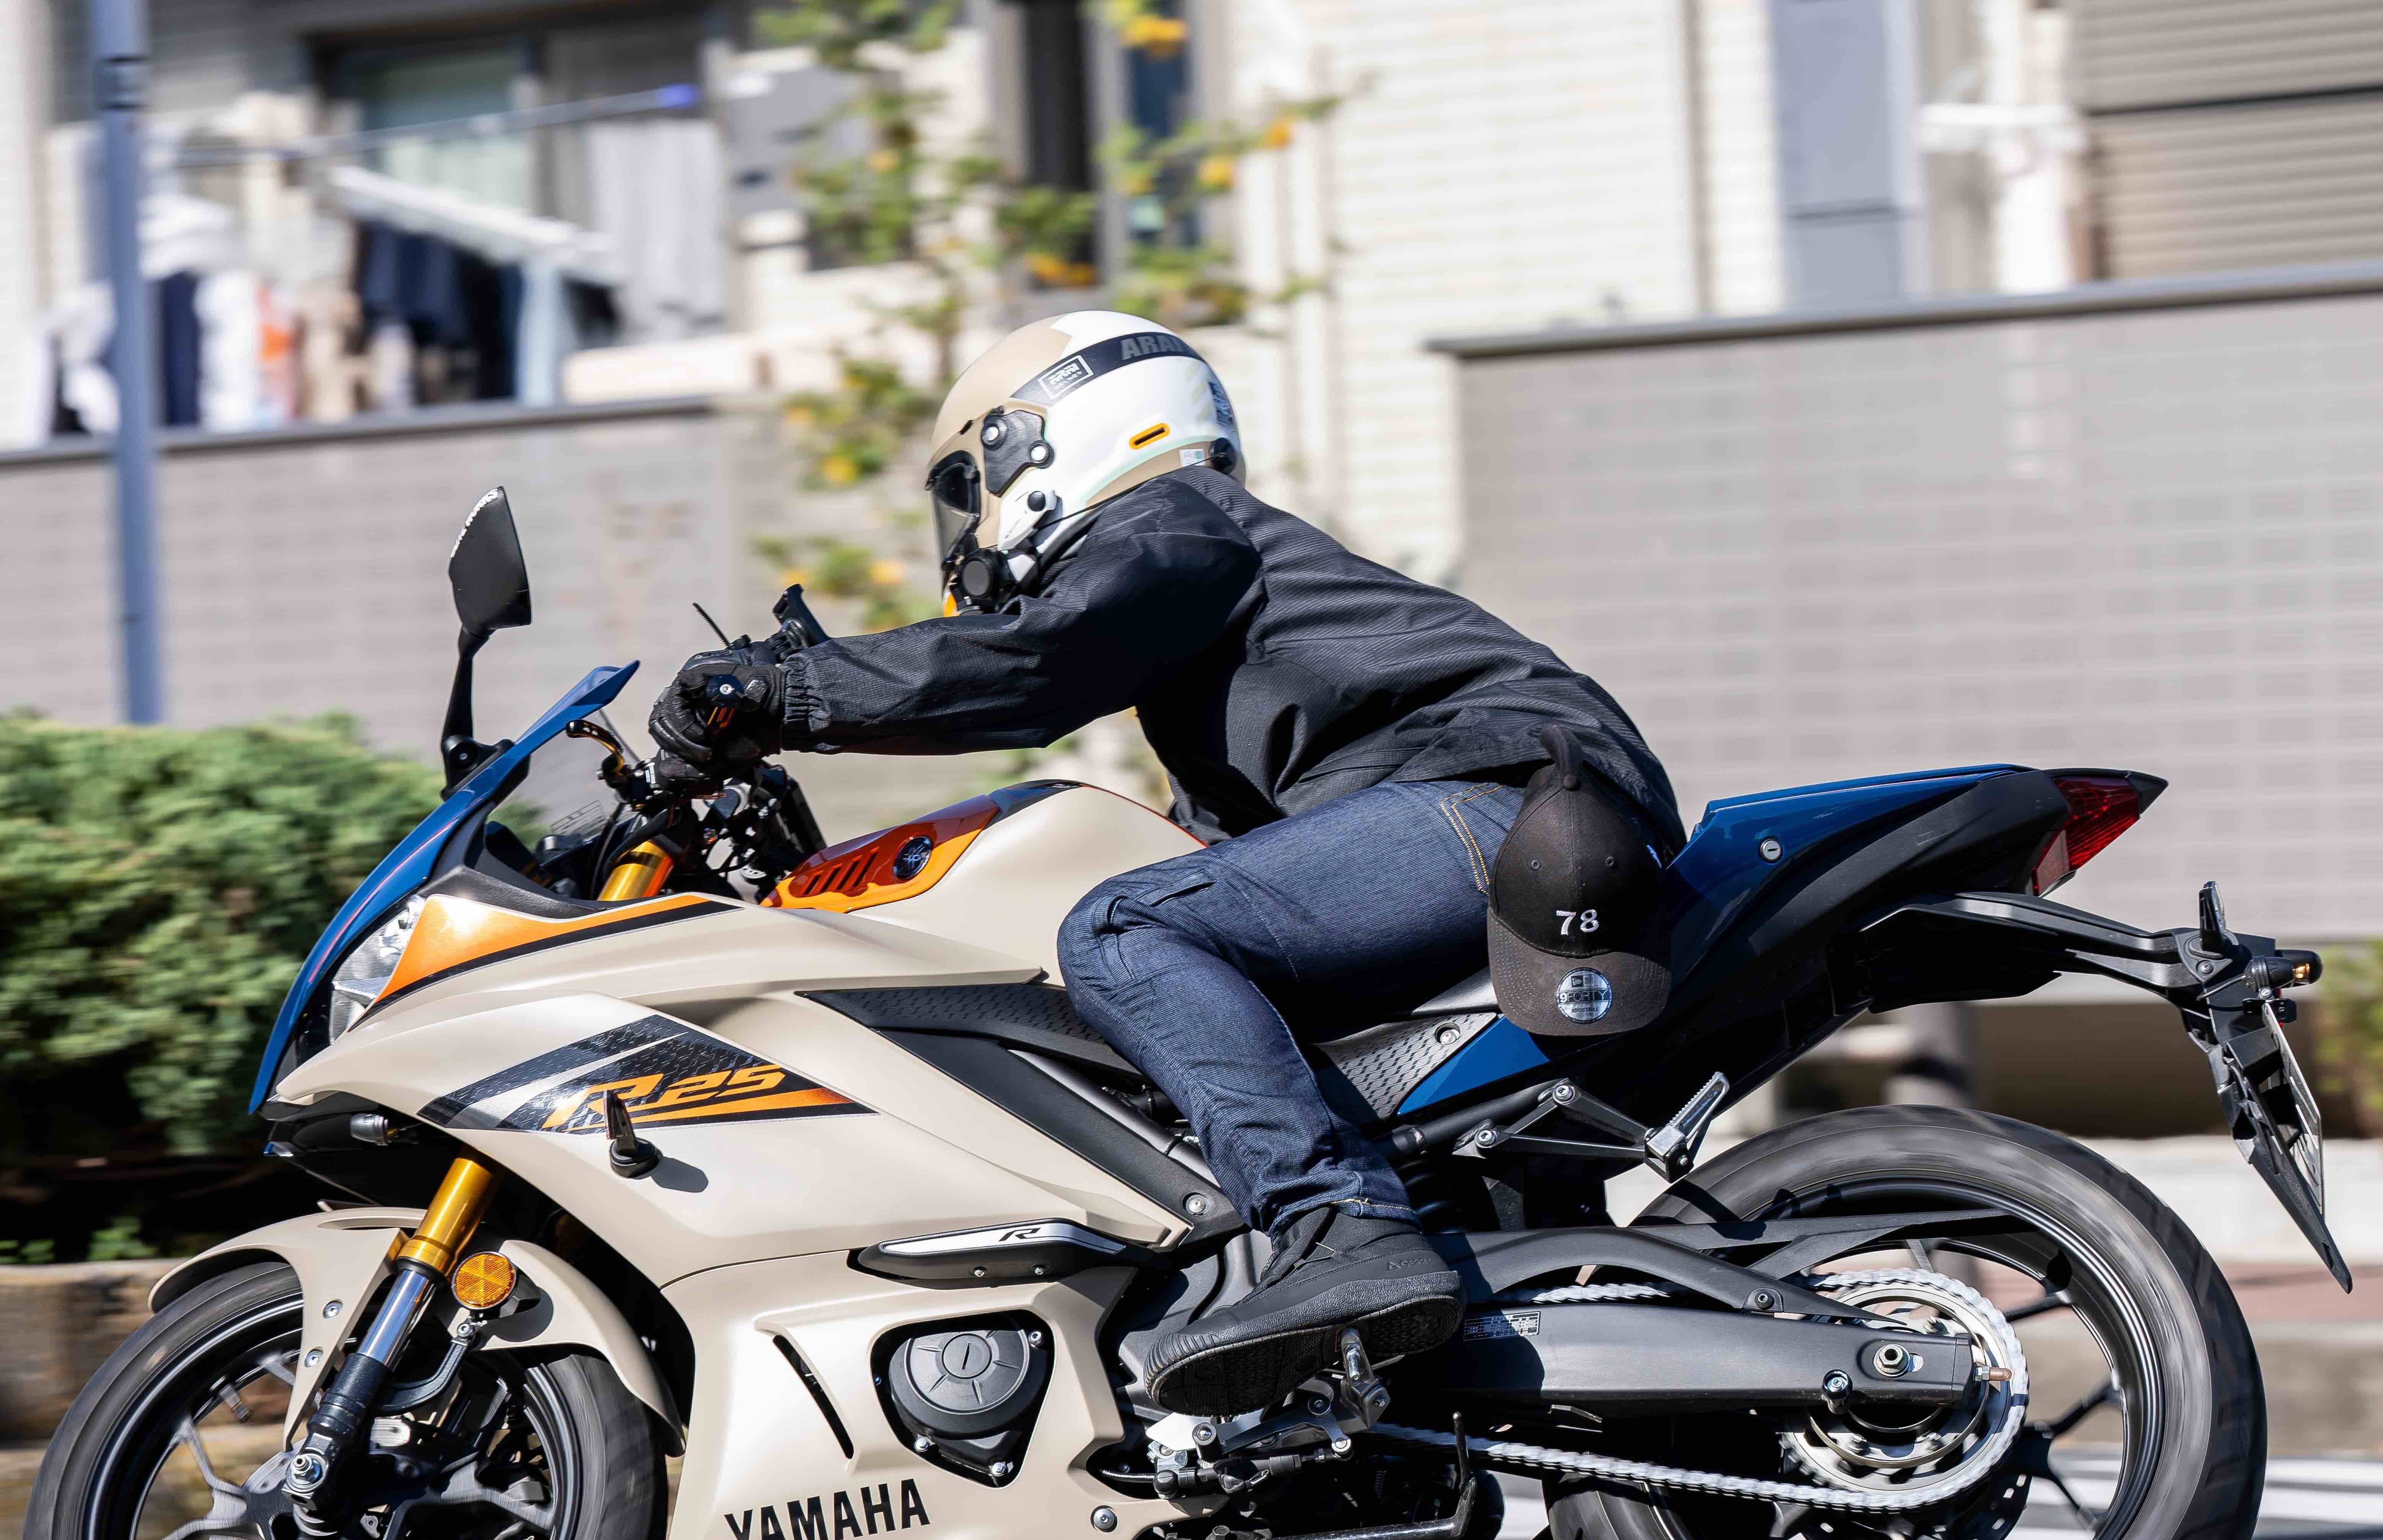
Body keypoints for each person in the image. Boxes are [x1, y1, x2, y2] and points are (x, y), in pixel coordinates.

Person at [648, 311, 1677, 1418]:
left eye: (967, 484)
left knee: (1123, 930)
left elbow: (1036, 665)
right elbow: (1203, 849)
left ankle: (1341, 1229)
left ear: (1041, 442)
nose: (969, 521)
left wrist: (781, 691)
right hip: (1514, 809)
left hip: (1497, 796)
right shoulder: (1212, 625)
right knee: (1164, 982)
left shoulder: (1173, 524)